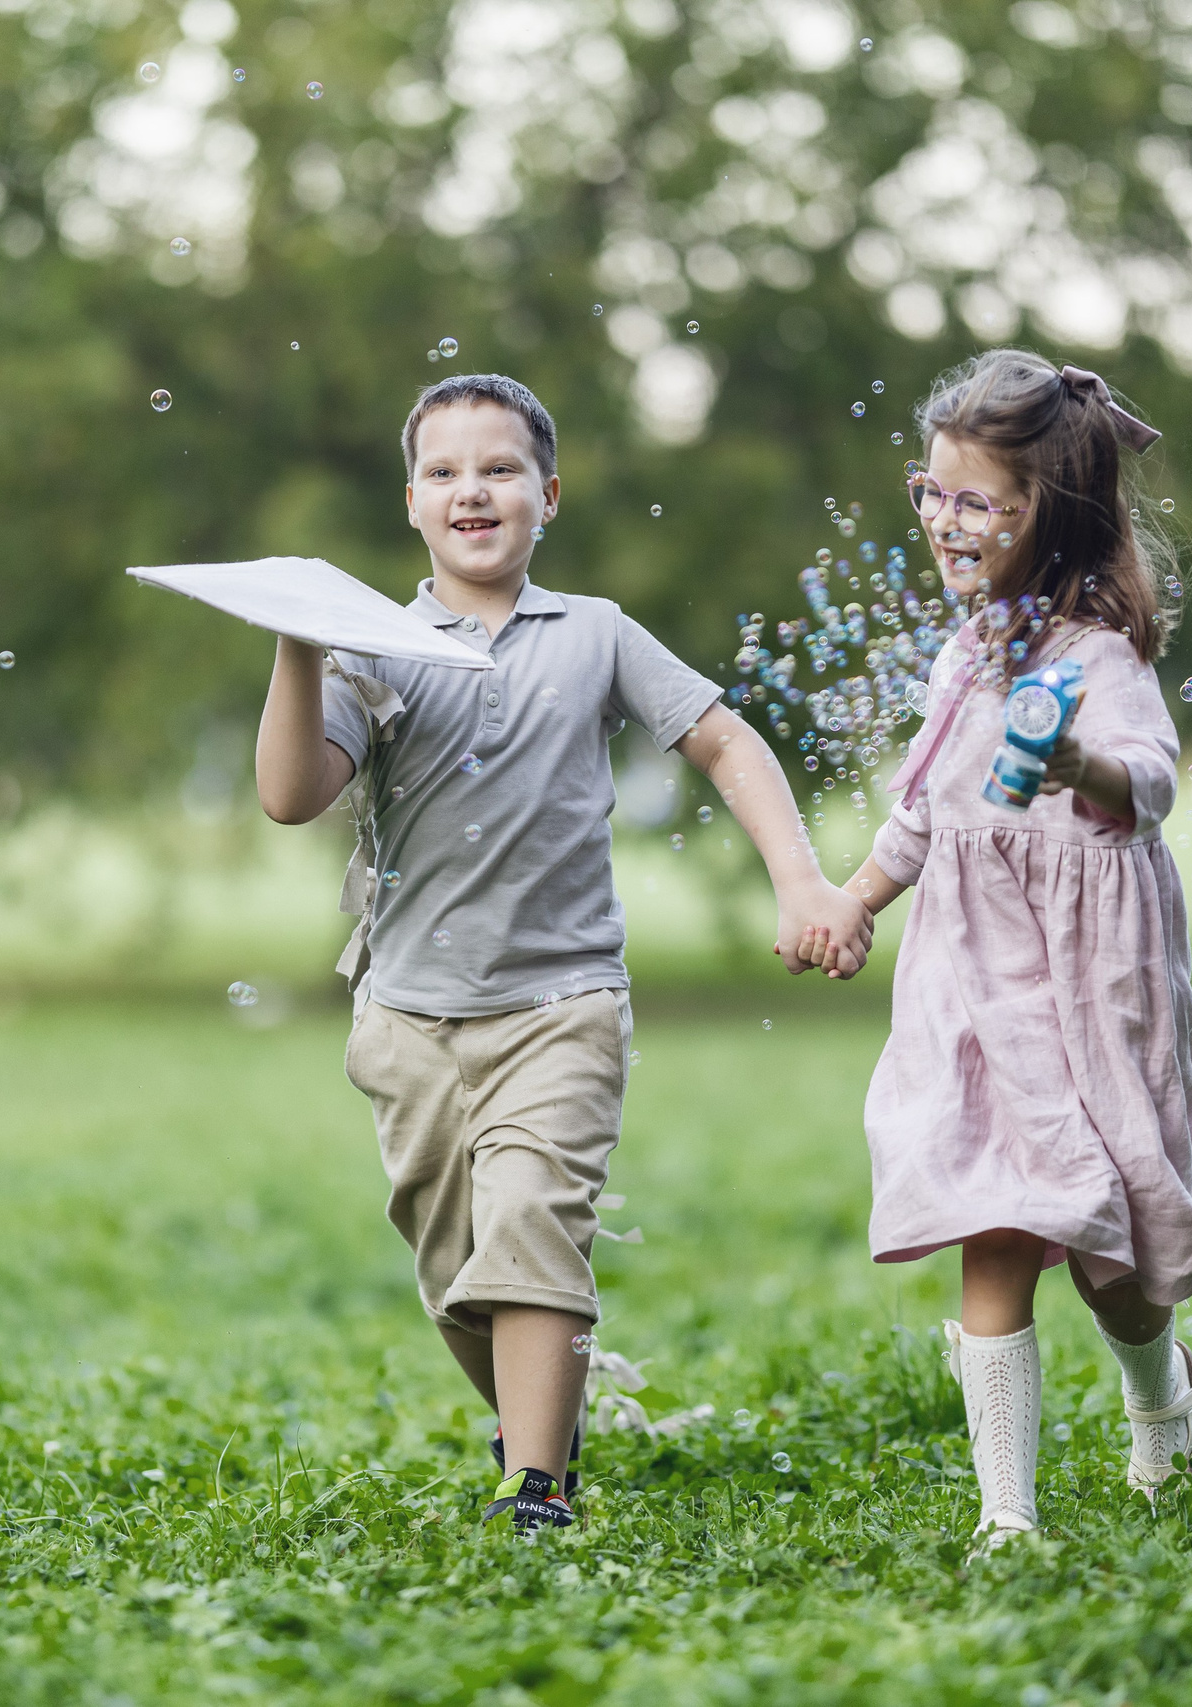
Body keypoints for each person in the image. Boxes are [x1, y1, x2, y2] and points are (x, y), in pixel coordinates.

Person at [254, 373, 872, 1532]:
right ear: (409, 502)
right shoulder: (373, 649)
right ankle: (541, 1420)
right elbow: (292, 795)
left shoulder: (595, 632)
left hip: (560, 1003)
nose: (471, 490)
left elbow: (725, 744)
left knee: (531, 1221)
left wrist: (802, 881)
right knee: (456, 1271)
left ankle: (536, 1487)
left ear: (547, 496)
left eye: (499, 469)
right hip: (409, 1019)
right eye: (443, 471)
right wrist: (298, 643)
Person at [807, 350, 1192, 1546]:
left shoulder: (1096, 655)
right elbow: (926, 812)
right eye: (931, 492)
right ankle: (1006, 1515)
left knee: (1117, 1264)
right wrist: (856, 898)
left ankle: (1160, 1400)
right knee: (995, 1223)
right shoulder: (963, 654)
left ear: (1045, 510)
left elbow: (1151, 782)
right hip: (974, 981)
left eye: (974, 500)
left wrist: (1079, 767)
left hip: (1087, 978)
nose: (943, 522)